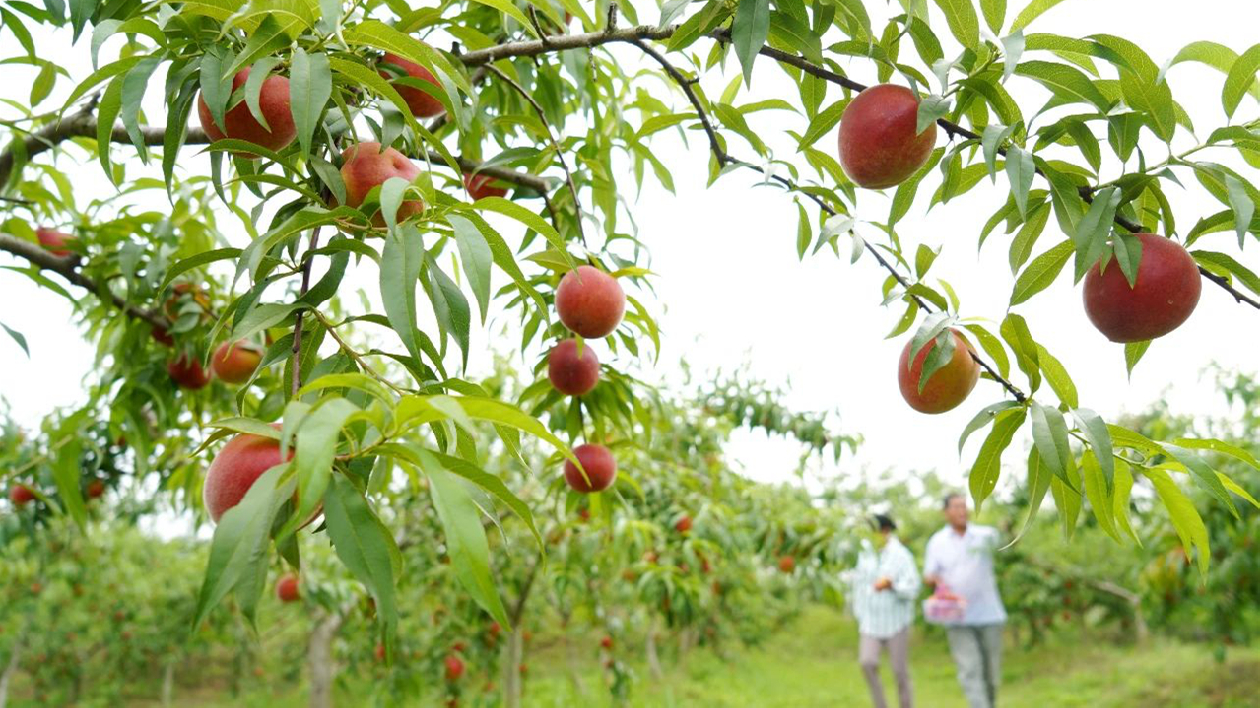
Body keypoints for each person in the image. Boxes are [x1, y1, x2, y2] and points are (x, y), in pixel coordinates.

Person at [923, 494, 1007, 708]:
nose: (962, 510)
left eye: (964, 506)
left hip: (989, 614)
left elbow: (1008, 543)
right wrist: (938, 581)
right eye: (956, 506)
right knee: (970, 670)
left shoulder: (985, 536)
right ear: (946, 512)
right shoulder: (937, 541)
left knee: (991, 674)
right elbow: (929, 574)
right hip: (957, 616)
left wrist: (1009, 526)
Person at [850, 513, 920, 708]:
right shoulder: (863, 553)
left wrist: (893, 586)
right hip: (870, 621)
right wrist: (859, 611)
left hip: (896, 621)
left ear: (885, 531)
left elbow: (913, 587)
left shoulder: (902, 555)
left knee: (900, 670)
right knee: (867, 662)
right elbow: (857, 583)